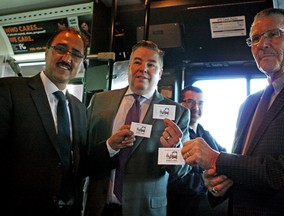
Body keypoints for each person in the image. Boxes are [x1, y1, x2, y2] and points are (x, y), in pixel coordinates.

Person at [177, 8, 284, 215]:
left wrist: (215, 159)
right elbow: (241, 162)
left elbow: (282, 171)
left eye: (273, 34)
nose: (262, 44)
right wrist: (217, 182)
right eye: (255, 38)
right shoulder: (249, 104)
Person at [84, 40, 191, 216]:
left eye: (151, 64)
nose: (143, 68)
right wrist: (109, 147)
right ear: (129, 67)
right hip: (99, 207)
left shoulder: (177, 113)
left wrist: (173, 149)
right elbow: (84, 153)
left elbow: (181, 172)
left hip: (145, 209)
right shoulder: (99, 101)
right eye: (137, 62)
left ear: (160, 72)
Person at [0, 27, 89, 216]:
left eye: (75, 54)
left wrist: (111, 146)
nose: (67, 58)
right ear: (46, 52)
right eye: (61, 49)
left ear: (81, 63)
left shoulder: (80, 109)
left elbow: (80, 162)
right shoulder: (10, 91)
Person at [167, 86, 226, 216]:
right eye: (190, 101)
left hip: (205, 200)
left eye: (200, 103)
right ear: (179, 104)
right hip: (182, 205)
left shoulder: (204, 133)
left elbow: (223, 155)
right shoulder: (173, 135)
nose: (196, 107)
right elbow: (174, 179)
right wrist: (206, 182)